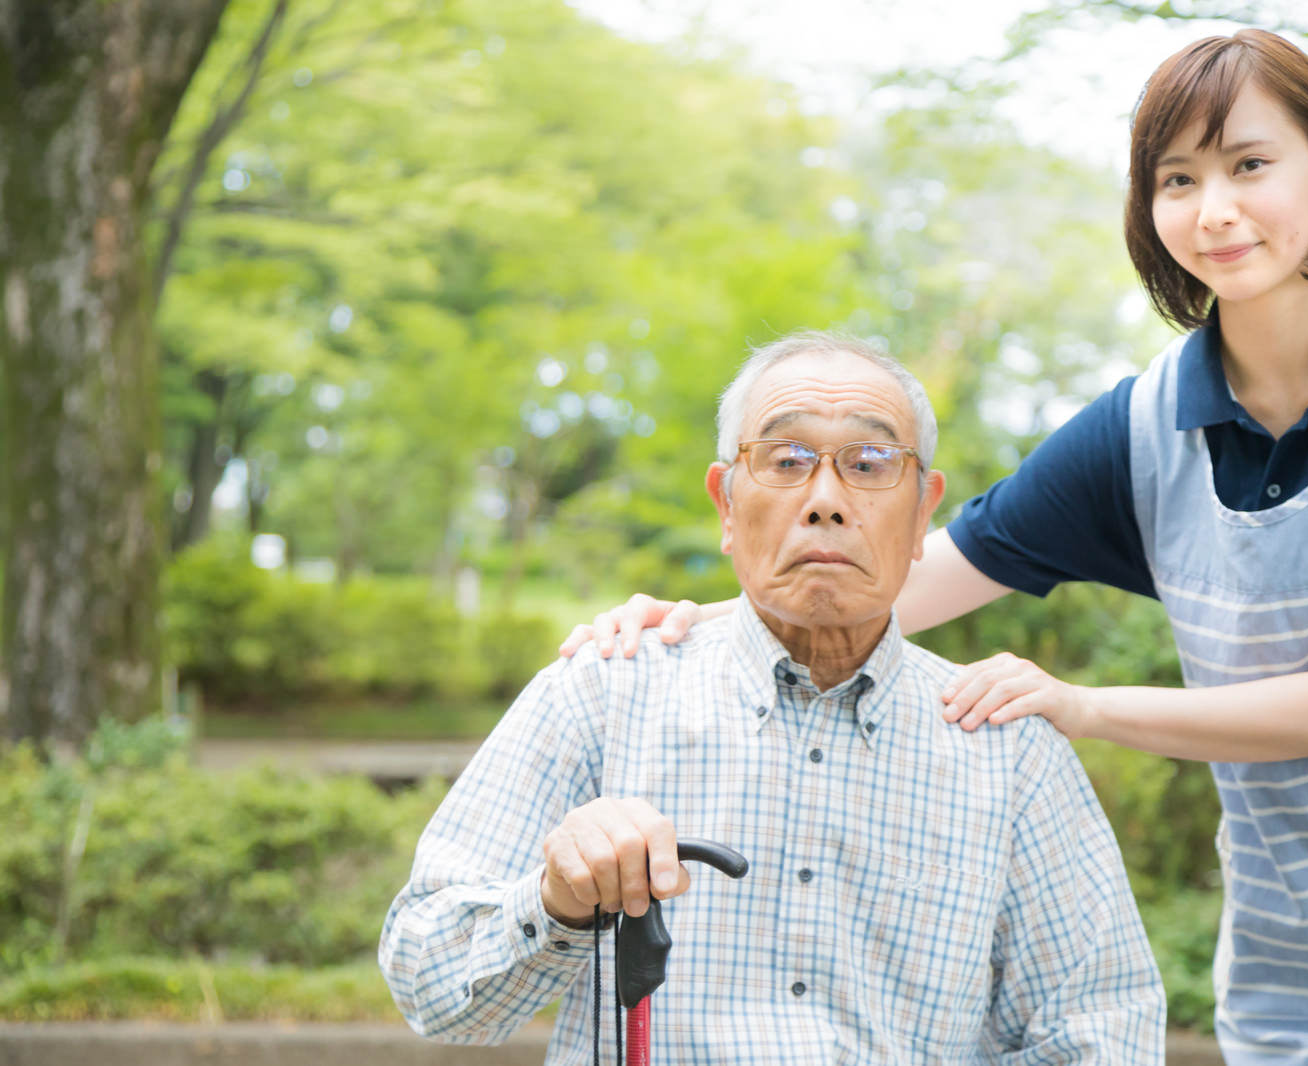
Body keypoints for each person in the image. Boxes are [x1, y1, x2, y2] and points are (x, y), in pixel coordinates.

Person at [560, 30, 1308, 1065]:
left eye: (1248, 165)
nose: (1214, 209)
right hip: (1296, 964)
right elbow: (903, 578)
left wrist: (1077, 706)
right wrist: (684, 625)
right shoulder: (1145, 424)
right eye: (1177, 179)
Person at [378, 332, 1166, 1062]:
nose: (825, 498)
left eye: (867, 462)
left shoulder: (1006, 746)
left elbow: (1102, 1028)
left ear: (924, 510)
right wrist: (555, 899)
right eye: (786, 460)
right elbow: (432, 989)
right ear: (726, 504)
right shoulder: (602, 691)